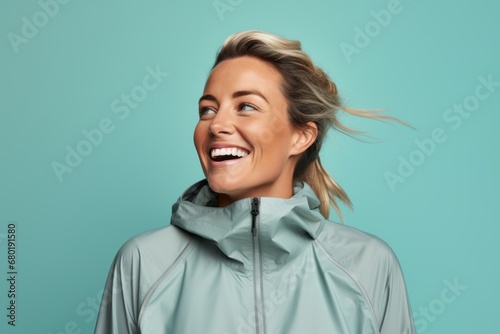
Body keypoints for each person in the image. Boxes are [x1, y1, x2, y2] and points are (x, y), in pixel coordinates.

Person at [94, 30, 416, 334]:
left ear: (301, 136)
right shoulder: (144, 262)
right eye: (207, 110)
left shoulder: (368, 264)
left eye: (246, 106)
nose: (217, 124)